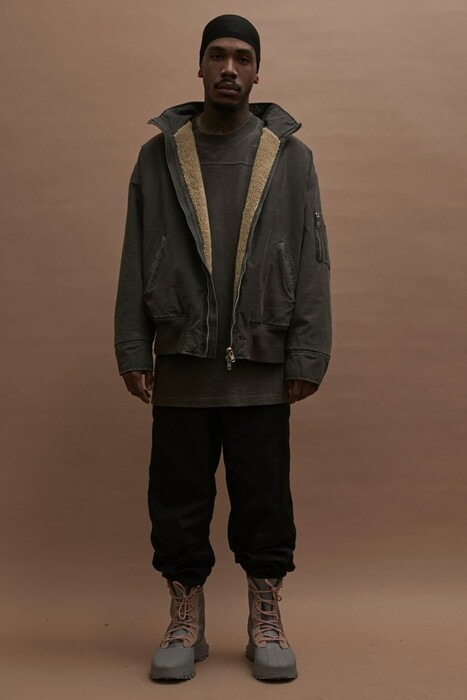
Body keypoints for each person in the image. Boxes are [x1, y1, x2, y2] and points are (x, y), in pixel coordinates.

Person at [114, 14, 331, 682]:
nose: (229, 68)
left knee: (264, 501)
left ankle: (266, 616)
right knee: (177, 500)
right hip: (183, 361)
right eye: (217, 56)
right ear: (201, 66)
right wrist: (133, 346)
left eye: (242, 58)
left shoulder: (291, 157)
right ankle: (185, 617)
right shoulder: (158, 156)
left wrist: (307, 353)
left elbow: (313, 258)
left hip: (261, 364)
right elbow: (134, 253)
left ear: (258, 72)